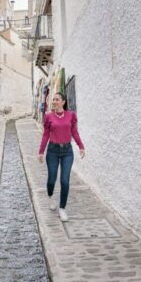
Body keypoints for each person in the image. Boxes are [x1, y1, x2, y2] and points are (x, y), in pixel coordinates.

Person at [38, 92, 85, 222]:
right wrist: (41, 151)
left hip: (67, 152)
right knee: (52, 179)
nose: (54, 101)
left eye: (57, 99)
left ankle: (62, 208)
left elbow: (74, 132)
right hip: (52, 151)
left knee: (65, 180)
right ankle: (51, 197)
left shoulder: (71, 116)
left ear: (63, 102)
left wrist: (81, 146)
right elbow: (46, 135)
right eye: (53, 99)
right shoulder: (49, 117)